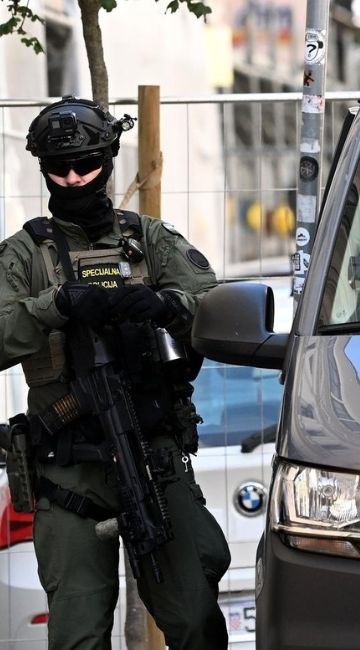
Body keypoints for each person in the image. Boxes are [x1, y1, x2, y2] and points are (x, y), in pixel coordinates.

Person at [0, 97, 229, 649]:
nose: (75, 179)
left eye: (87, 165)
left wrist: (166, 305)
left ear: (109, 157)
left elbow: (212, 302)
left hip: (153, 456)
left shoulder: (149, 239)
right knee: (78, 635)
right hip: (68, 473)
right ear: (43, 169)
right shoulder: (24, 253)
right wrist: (58, 305)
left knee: (194, 618)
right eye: (60, 169)